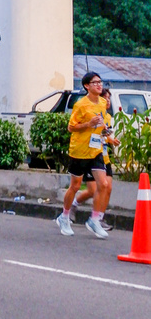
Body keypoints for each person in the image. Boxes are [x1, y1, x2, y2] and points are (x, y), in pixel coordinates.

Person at [56, 72, 109, 239]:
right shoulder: (80, 105)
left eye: (100, 82)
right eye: (95, 83)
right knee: (75, 186)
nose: (99, 85)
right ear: (87, 86)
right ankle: (64, 217)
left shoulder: (102, 102)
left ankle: (94, 220)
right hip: (80, 150)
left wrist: (104, 130)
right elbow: (71, 127)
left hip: (96, 149)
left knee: (104, 184)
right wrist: (88, 124)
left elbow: (100, 123)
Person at [70, 87, 119, 231]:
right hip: (90, 154)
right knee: (92, 190)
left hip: (103, 156)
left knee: (107, 187)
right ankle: (73, 205)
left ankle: (99, 218)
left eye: (109, 98)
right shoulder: (90, 112)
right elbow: (75, 127)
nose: (108, 101)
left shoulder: (107, 117)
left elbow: (104, 133)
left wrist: (111, 139)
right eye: (105, 98)